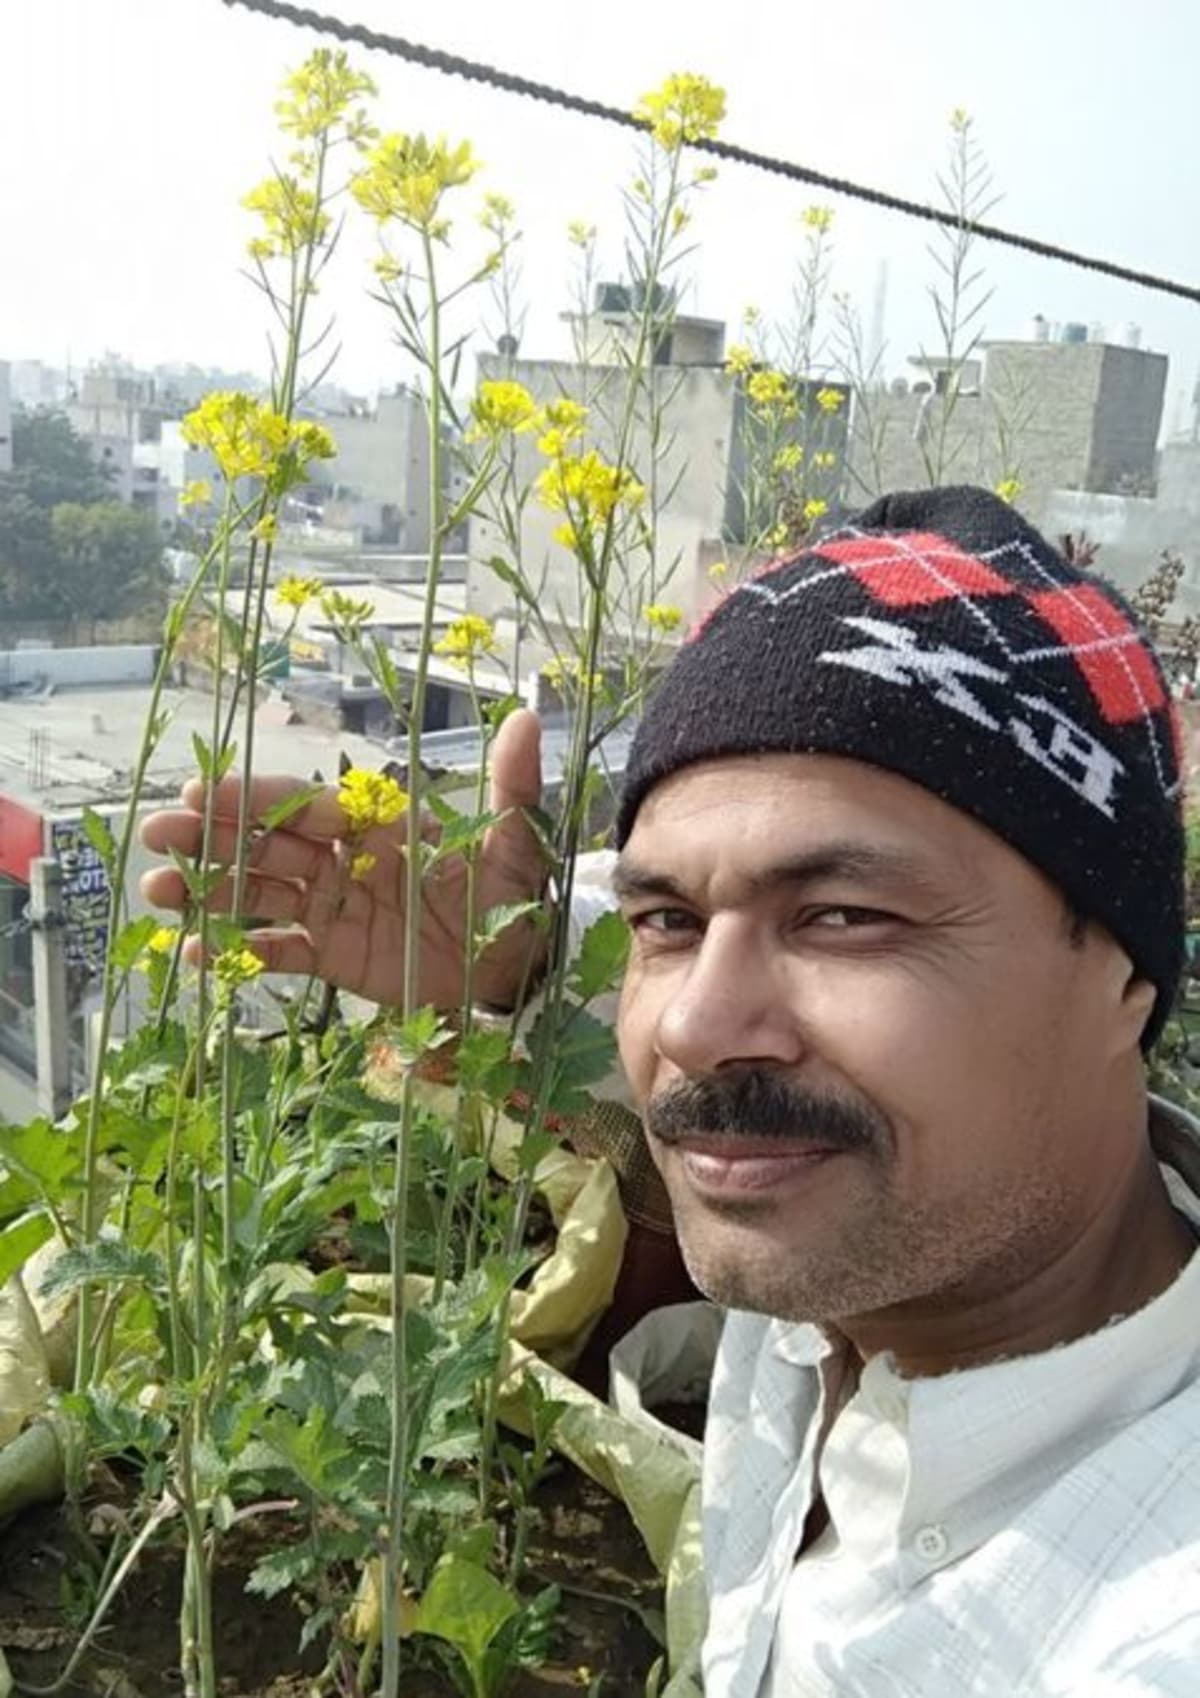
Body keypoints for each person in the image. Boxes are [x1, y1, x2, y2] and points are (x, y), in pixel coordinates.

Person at [142, 486, 1200, 1695]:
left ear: (1124, 977)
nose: (696, 1025)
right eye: (669, 920)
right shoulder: (869, 1243)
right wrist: (526, 958)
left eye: (847, 917)